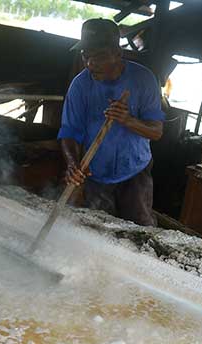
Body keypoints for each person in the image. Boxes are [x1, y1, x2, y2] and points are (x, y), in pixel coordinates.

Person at [57, 18, 165, 227]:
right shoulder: (80, 86)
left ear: (118, 54)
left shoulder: (144, 80)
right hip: (96, 174)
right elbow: (70, 131)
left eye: (99, 56)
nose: (90, 64)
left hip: (135, 171)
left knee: (141, 229)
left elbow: (156, 132)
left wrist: (127, 120)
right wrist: (72, 163)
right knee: (97, 230)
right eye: (86, 56)